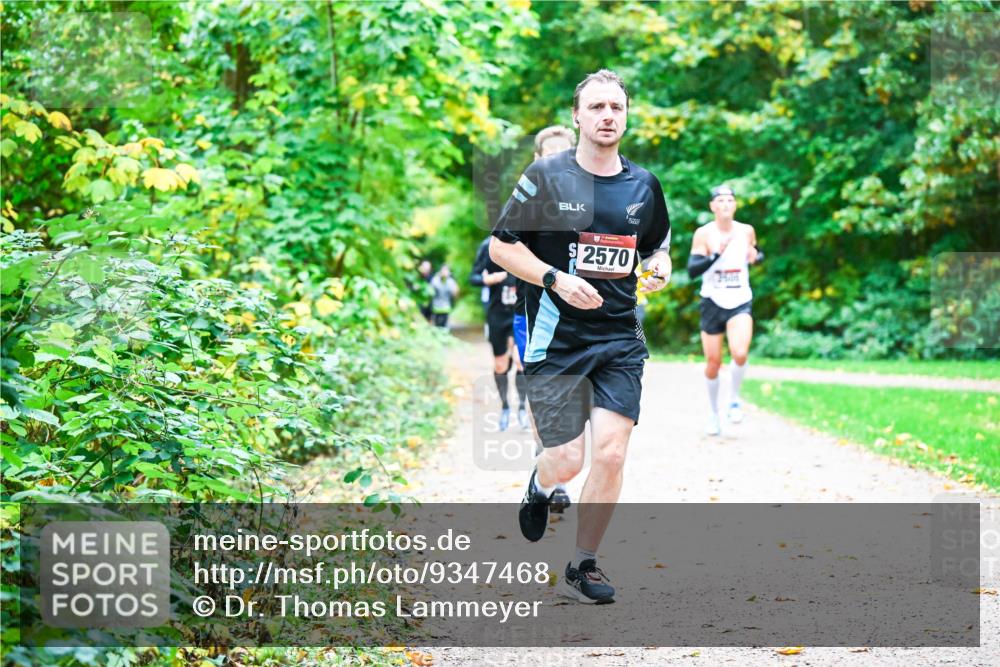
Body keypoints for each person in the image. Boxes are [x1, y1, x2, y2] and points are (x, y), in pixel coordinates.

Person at [490, 69, 672, 604]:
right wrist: (554, 278)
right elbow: (502, 246)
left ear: (626, 116)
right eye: (596, 107)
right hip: (557, 338)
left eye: (616, 107)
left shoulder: (644, 185)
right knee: (568, 459)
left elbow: (656, 245)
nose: (607, 116)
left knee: (611, 453)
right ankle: (541, 483)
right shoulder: (546, 175)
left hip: (619, 337)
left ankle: (582, 563)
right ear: (577, 116)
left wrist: (659, 267)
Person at [512, 125, 577, 512]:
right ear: (537, 160)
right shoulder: (525, 202)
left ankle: (557, 466)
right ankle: (550, 466)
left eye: (563, 154)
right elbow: (505, 251)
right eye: (549, 155)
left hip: (583, 318)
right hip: (535, 315)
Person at [686, 185, 762, 436]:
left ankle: (734, 401)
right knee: (713, 362)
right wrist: (717, 253)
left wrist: (756, 257)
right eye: (720, 200)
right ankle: (713, 414)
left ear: (735, 205)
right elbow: (692, 270)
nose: (726, 204)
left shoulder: (746, 231)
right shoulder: (704, 234)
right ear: (712, 206)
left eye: (730, 200)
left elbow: (757, 255)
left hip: (740, 298)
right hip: (712, 300)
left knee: (740, 353)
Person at [469, 236, 527, 431]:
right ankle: (505, 407)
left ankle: (521, 408)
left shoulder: (528, 241)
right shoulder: (489, 245)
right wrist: (489, 279)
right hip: (498, 314)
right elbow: (473, 277)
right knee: (501, 365)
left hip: (520, 313)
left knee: (520, 361)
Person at [429, 264, 459, 330]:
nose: (445, 272)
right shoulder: (435, 280)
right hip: (436, 308)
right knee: (436, 327)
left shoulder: (451, 281)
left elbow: (455, 295)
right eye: (443, 270)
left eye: (446, 271)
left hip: (446, 308)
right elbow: (430, 292)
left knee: (445, 327)